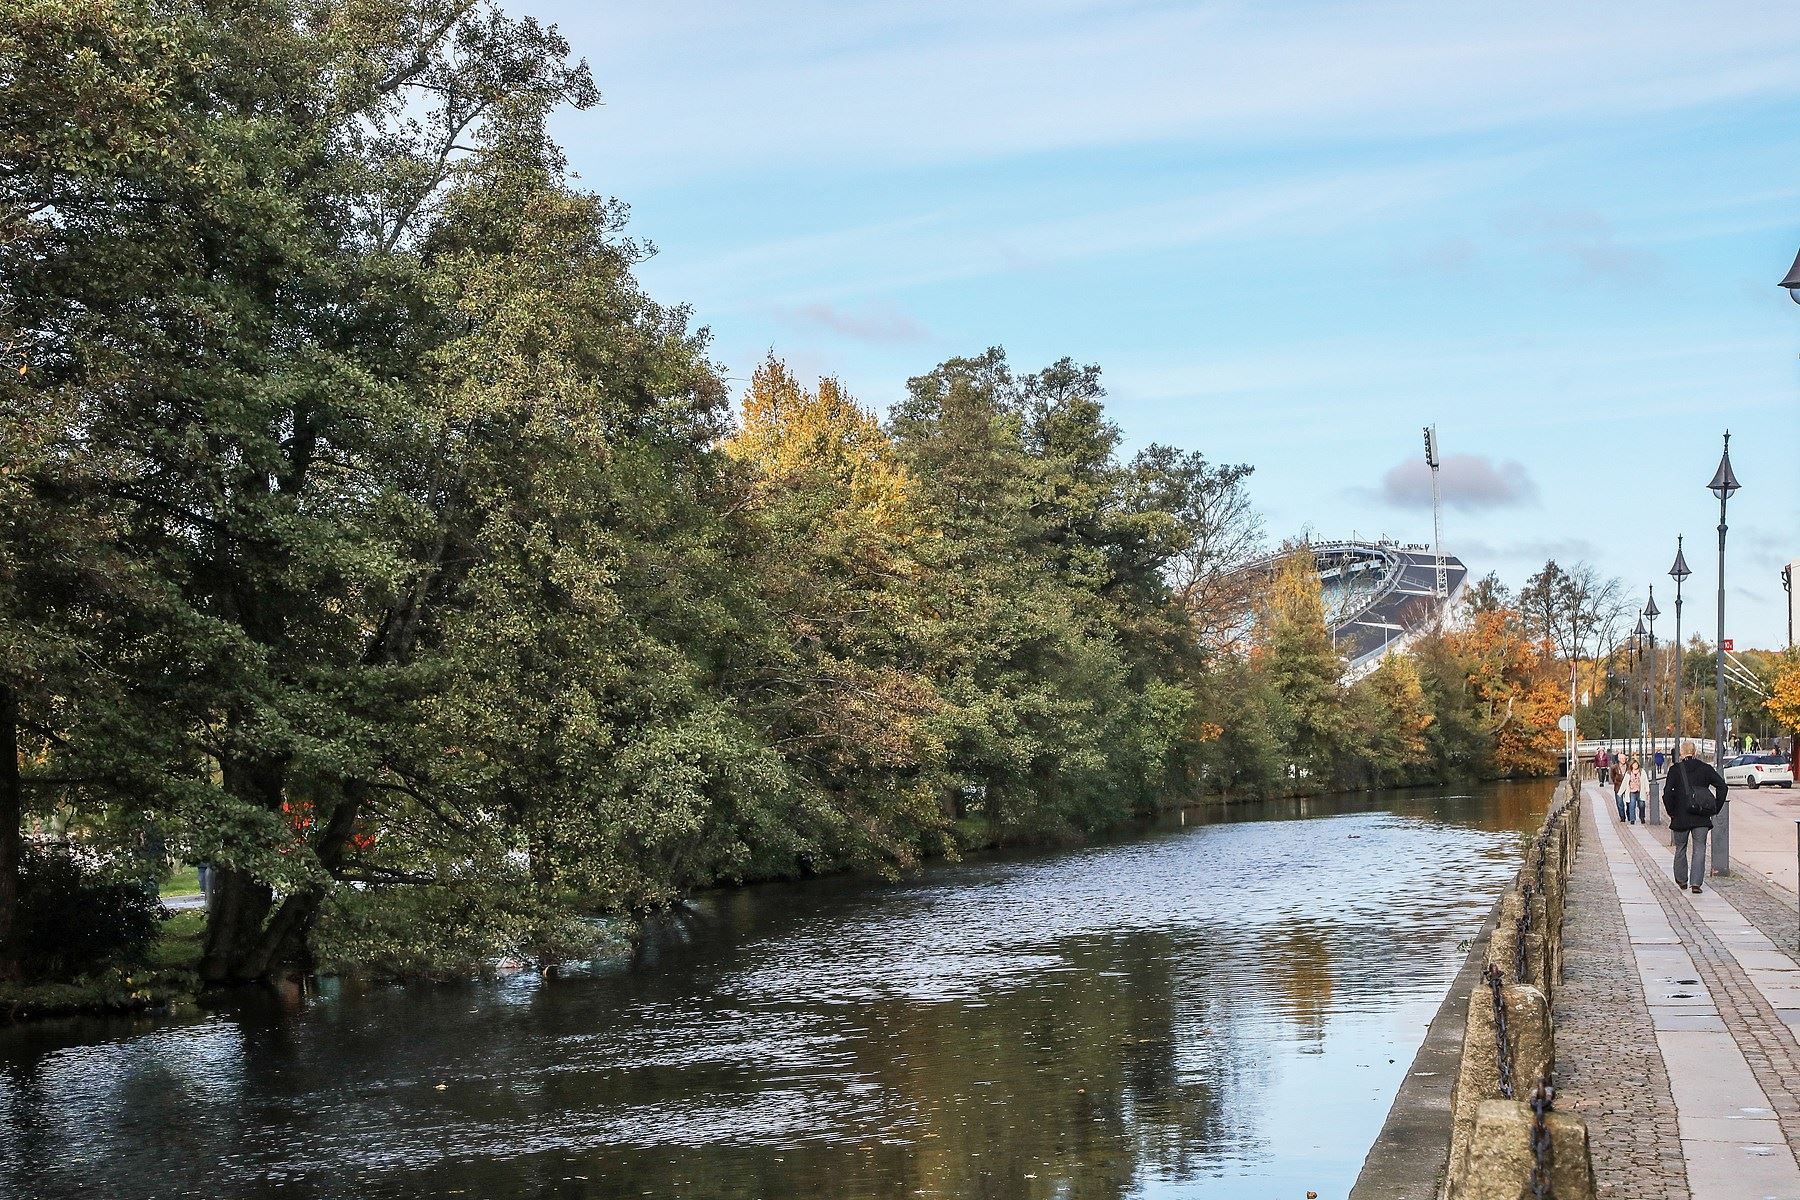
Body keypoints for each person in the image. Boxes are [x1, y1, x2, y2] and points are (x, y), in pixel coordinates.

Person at [1663, 739, 1728, 894]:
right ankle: (1696, 883)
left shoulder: (1675, 770)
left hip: (1680, 816)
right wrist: (1715, 808)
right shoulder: (1705, 768)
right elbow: (1722, 787)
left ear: (1681, 753)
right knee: (1700, 848)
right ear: (1695, 753)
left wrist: (1671, 811)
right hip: (1701, 816)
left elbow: (1666, 793)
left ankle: (1682, 880)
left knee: (1681, 848)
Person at [1624, 757, 1643, 825]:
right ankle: (1632, 819)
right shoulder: (1628, 773)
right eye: (1634, 764)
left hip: (1640, 791)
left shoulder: (1641, 772)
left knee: (1641, 805)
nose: (1635, 766)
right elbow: (1625, 783)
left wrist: (1647, 789)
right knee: (1632, 805)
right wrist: (1621, 792)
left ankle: (1642, 817)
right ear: (1631, 765)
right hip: (1632, 791)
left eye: (1636, 764)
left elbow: (1645, 781)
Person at [1610, 755, 1626, 821]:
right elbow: (1612, 776)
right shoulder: (1614, 767)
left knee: (1630, 802)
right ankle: (1622, 817)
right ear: (1619, 759)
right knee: (1619, 802)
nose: (1623, 759)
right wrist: (1616, 781)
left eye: (1624, 758)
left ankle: (1629, 814)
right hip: (1618, 786)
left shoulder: (1628, 766)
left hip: (1627, 786)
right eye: (1622, 758)